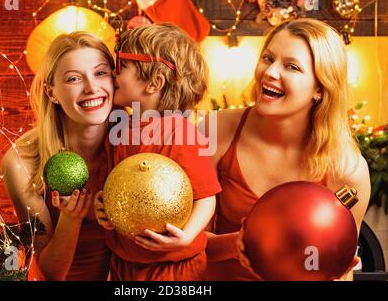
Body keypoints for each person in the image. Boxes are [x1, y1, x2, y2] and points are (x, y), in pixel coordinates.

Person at [203, 18, 371, 281]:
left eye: (291, 66)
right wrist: (238, 243)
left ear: (320, 88)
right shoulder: (215, 129)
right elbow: (186, 242)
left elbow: (339, 269)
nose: (270, 72)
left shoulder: (348, 170)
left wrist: (334, 269)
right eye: (268, 58)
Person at [95, 23, 221, 280]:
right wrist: (102, 205)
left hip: (173, 267)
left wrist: (186, 237)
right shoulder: (118, 130)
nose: (112, 74)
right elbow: (112, 186)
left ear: (154, 83)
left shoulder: (180, 132)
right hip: (124, 262)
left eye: (121, 68)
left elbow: (206, 198)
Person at [2, 31, 115, 280]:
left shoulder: (135, 142)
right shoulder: (21, 163)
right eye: (74, 79)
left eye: (100, 73)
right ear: (52, 92)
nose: (91, 88)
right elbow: (51, 272)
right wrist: (70, 219)